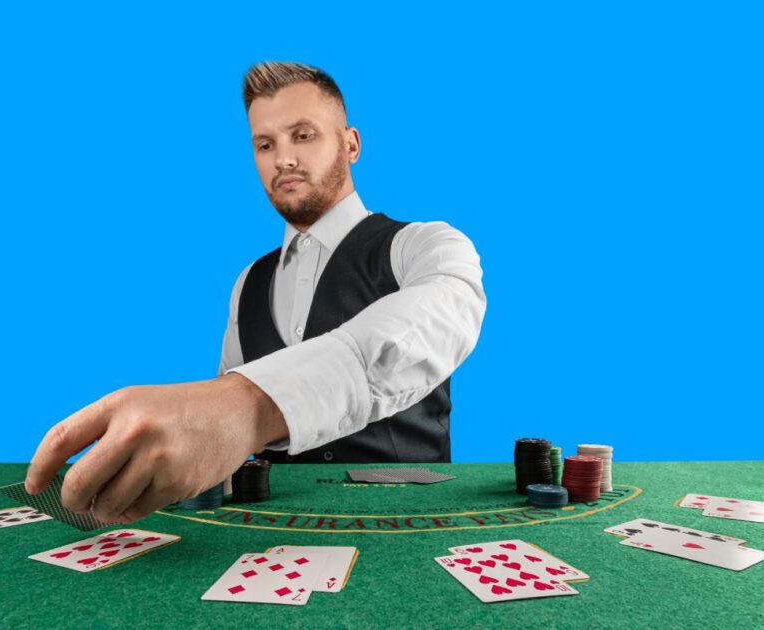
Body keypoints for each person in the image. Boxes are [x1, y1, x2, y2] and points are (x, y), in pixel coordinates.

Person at [24, 62, 486, 524]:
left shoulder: (423, 244)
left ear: (351, 144)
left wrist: (249, 407)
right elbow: (220, 420)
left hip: (408, 521)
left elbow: (443, 313)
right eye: (265, 144)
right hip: (275, 529)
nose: (282, 159)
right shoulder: (249, 280)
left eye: (302, 135)